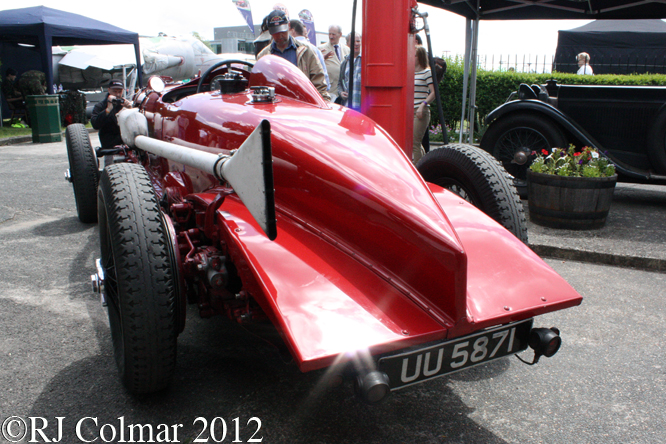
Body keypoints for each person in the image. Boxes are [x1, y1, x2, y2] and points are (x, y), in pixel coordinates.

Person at [257, 9, 330, 101]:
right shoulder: (263, 56)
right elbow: (258, 88)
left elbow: (320, 84)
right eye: (275, 33)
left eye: (282, 31)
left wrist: (323, 105)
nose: (279, 36)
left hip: (302, 107)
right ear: (270, 31)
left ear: (289, 26)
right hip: (274, 109)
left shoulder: (307, 51)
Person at [289, 19, 330, 92]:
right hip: (314, 95)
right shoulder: (315, 49)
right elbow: (324, 76)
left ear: (292, 31)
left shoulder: (290, 49)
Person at [91, 79, 132, 149]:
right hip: (110, 145)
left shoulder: (124, 104)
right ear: (109, 90)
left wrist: (130, 109)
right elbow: (95, 124)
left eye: (120, 91)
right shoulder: (100, 106)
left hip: (127, 143)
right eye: (115, 91)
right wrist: (108, 110)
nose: (117, 94)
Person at [413, 46, 435, 163]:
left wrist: (423, 104)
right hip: (411, 110)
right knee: (415, 142)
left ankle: (416, 169)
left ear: (420, 57)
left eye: (414, 55)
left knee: (414, 143)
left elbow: (434, 92)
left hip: (420, 110)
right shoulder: (410, 72)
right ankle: (422, 166)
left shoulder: (427, 72)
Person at [319, 25, 350, 103]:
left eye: (333, 34)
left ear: (340, 34)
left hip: (344, 92)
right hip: (330, 93)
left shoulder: (347, 49)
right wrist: (321, 58)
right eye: (329, 34)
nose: (331, 36)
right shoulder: (320, 49)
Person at [338, 32, 362, 112]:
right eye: (353, 41)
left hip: (362, 108)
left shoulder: (365, 61)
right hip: (347, 107)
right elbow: (340, 83)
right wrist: (341, 93)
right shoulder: (345, 62)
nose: (356, 44)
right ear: (347, 43)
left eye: (358, 41)